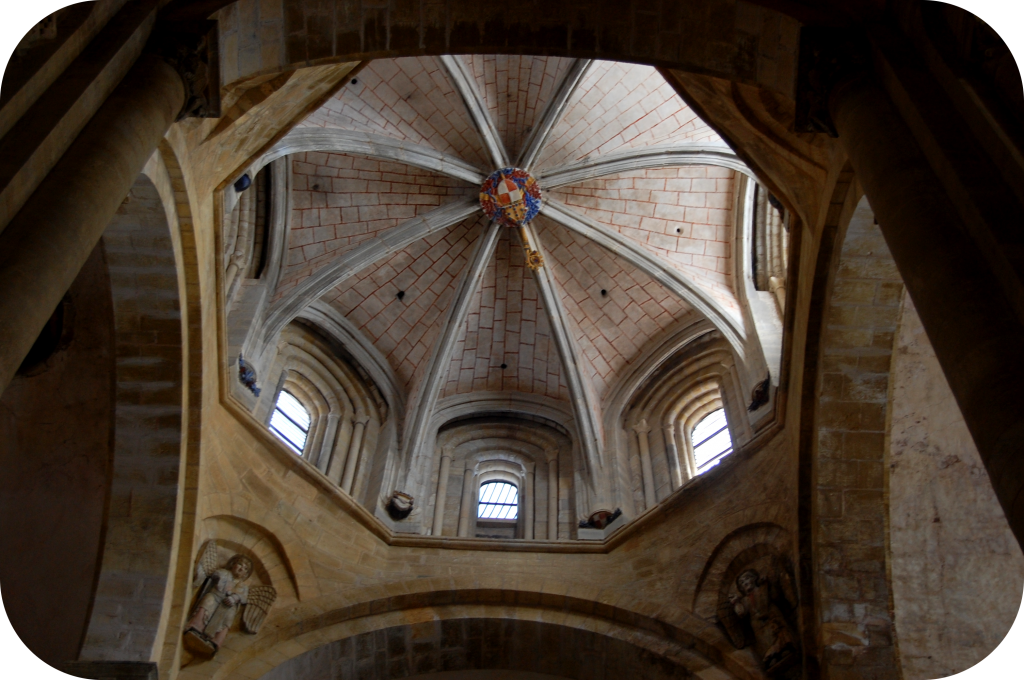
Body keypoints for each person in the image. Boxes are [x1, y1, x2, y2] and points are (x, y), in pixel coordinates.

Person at [185, 554, 253, 647]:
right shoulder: (223, 573)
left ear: (246, 574)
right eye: (240, 564)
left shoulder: (243, 586)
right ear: (233, 565)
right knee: (208, 601)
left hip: (228, 605)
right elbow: (216, 577)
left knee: (229, 615)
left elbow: (243, 597)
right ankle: (196, 627)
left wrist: (234, 598)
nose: (241, 569)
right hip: (215, 596)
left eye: (245, 569)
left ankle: (215, 641)